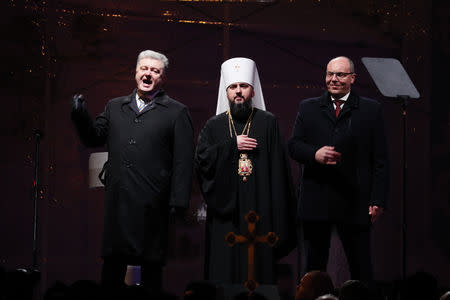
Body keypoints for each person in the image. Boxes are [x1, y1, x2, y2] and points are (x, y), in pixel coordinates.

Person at [71, 49, 194, 293]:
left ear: (163, 78)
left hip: (153, 204)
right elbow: (94, 137)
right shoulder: (115, 107)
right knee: (112, 270)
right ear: (136, 72)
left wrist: (178, 202)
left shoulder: (176, 112)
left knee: (151, 271)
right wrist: (80, 115)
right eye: (144, 69)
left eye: (155, 71)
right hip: (119, 202)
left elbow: (184, 160)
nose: (148, 74)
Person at [288, 56, 390, 282]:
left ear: (353, 78)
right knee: (314, 269)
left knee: (361, 268)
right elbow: (294, 146)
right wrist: (315, 154)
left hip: (355, 199)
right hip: (317, 199)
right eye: (329, 74)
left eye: (340, 75)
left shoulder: (370, 110)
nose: (333, 79)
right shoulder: (309, 107)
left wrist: (378, 199)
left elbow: (380, 160)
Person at [195, 57, 295, 285]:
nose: (238, 92)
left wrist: (278, 216)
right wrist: (231, 146)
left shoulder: (268, 123)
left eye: (243, 86)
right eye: (233, 87)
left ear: (252, 90)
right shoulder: (213, 125)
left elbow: (279, 173)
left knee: (258, 277)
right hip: (226, 216)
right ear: (226, 91)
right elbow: (201, 162)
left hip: (260, 212)